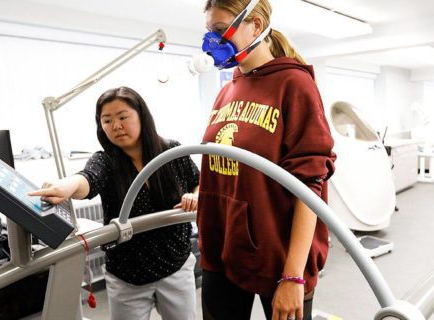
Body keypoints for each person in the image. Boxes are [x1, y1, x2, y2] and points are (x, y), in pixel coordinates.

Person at [197, 1, 336, 320]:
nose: (211, 42)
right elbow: (224, 167)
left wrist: (293, 276)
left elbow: (309, 185)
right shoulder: (227, 91)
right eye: (209, 32)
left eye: (219, 31)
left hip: (278, 258)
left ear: (255, 25)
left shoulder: (295, 85)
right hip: (223, 251)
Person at [29, 87, 200, 320]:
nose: (116, 126)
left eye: (122, 117)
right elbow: (88, 179)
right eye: (107, 120)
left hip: (176, 266)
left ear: (141, 116)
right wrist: (66, 187)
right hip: (127, 277)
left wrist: (196, 196)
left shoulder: (171, 151)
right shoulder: (105, 161)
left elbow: (197, 181)